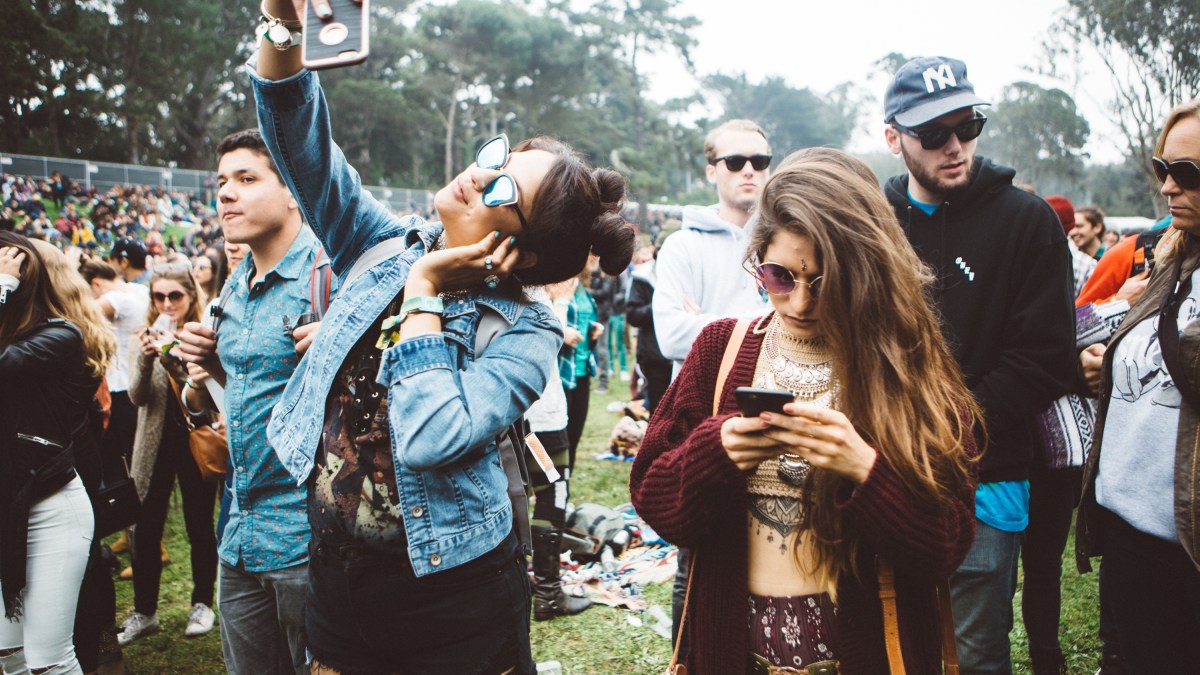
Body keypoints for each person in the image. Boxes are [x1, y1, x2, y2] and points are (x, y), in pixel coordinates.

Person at [247, 2, 635, 671]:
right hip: (337, 582)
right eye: (497, 157)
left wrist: (426, 288)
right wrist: (284, 29)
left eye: (504, 185)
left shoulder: (525, 333)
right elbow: (303, 149)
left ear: (526, 254)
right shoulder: (383, 246)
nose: (479, 172)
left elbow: (427, 437)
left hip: (452, 602)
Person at [631, 148, 979, 674]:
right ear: (758, 261)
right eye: (779, 277)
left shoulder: (908, 363)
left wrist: (867, 470)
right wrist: (714, 452)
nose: (798, 303)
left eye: (825, 281)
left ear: (867, 269)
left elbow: (946, 548)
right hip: (731, 653)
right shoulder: (720, 350)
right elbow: (653, 499)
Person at [881, 56, 1076, 674]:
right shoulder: (874, 224)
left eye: (968, 126)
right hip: (883, 469)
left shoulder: (1028, 220)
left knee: (976, 655)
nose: (955, 146)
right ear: (893, 138)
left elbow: (1043, 360)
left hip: (987, 477)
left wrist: (945, 426)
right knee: (892, 642)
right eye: (933, 134)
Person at [175, 128, 337, 675]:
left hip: (308, 539)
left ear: (293, 189)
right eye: (221, 181)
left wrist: (345, 344)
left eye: (246, 179)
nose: (226, 194)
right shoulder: (235, 286)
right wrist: (212, 369)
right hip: (239, 534)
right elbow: (245, 397)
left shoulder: (332, 275)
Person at [1077, 98, 1200, 673]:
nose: (1170, 187)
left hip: (1185, 541)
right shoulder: (1167, 261)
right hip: (1127, 522)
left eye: (1189, 173)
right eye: (1163, 169)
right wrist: (1108, 369)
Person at [652, 119, 774, 649]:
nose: (749, 171)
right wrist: (759, 317)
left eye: (760, 161)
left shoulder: (786, 237)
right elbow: (669, 334)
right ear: (711, 170)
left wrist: (712, 321)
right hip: (704, 425)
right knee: (698, 563)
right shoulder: (683, 246)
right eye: (735, 162)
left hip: (779, 422)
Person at [0, 232, 101, 675]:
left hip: (50, 511)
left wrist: (1, 286)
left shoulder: (61, 335)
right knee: (11, 657)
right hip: (8, 510)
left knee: (48, 661)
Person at [32, 243, 123, 675]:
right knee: (84, 561)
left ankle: (93, 652)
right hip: (79, 452)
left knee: (78, 563)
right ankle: (97, 646)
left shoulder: (58, 335)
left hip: (67, 459)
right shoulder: (73, 324)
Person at [119, 263, 218, 646]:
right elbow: (137, 397)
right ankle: (145, 611)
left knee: (198, 525)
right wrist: (147, 358)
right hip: (154, 443)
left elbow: (205, 396)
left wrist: (176, 364)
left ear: (191, 295)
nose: (166, 303)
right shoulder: (141, 336)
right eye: (158, 296)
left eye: (174, 295)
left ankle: (202, 602)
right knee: (146, 527)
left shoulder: (202, 335)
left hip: (195, 440)